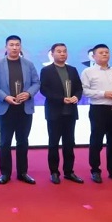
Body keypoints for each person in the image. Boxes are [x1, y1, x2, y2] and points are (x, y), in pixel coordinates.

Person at [0, 35, 40, 185]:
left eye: (17, 45)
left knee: (23, 141)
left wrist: (28, 93)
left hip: (24, 108)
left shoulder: (28, 64)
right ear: (6, 47)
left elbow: (37, 83)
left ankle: (22, 172)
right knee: (5, 142)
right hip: (6, 108)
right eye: (11, 45)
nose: (14, 47)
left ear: (20, 47)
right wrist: (5, 97)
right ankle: (5, 173)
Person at [81, 43, 112, 184]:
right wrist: (104, 93)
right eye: (101, 52)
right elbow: (85, 91)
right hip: (99, 110)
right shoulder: (88, 72)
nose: (104, 54)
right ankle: (95, 170)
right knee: (96, 142)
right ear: (93, 56)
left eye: (107, 52)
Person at [39, 43, 84, 184]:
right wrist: (61, 99)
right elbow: (44, 90)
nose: (62, 54)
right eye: (59, 51)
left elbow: (79, 88)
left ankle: (69, 172)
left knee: (69, 143)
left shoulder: (72, 70)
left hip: (70, 112)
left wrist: (76, 97)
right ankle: (54, 172)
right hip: (54, 112)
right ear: (52, 54)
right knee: (53, 144)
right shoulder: (46, 70)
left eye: (64, 51)